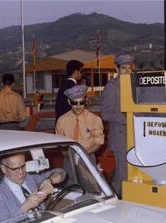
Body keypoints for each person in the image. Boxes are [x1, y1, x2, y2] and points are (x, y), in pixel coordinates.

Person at [0, 152, 66, 223]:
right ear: (4, 169)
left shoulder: (31, 178)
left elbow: (61, 173)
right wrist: (25, 207)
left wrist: (49, 181)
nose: (21, 172)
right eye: (15, 169)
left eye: (23, 166)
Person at [100, 54, 134, 197]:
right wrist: (128, 119)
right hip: (120, 136)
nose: (127, 71)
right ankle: (113, 200)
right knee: (124, 174)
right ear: (117, 69)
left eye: (129, 68)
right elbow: (106, 114)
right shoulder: (112, 87)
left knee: (128, 173)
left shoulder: (134, 84)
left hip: (134, 135)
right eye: (123, 68)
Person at [56, 85, 104, 162]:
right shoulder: (62, 120)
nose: (78, 106)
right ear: (69, 102)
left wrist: (82, 154)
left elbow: (99, 141)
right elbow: (59, 143)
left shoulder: (94, 119)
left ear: (86, 100)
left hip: (88, 156)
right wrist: (69, 156)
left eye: (81, 102)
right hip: (69, 158)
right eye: (74, 103)